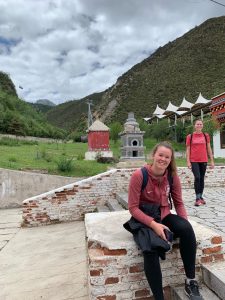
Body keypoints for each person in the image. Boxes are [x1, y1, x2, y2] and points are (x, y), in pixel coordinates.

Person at [125, 141, 202, 300]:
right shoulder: (139, 176)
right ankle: (159, 297)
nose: (163, 159)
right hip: (144, 218)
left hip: (164, 215)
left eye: (167, 157)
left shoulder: (172, 176)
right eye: (160, 155)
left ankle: (190, 281)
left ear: (170, 160)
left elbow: (179, 203)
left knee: (187, 229)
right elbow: (133, 208)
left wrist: (184, 224)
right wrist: (153, 225)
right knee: (150, 249)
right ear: (153, 155)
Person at [186, 119, 214, 206]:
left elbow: (209, 148)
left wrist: (212, 160)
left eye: (200, 124)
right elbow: (188, 149)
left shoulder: (206, 136)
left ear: (202, 125)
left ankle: (201, 197)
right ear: (194, 126)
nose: (199, 125)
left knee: (201, 178)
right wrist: (188, 161)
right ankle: (197, 198)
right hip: (194, 160)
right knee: (197, 177)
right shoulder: (190, 136)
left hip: (204, 160)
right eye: (197, 124)